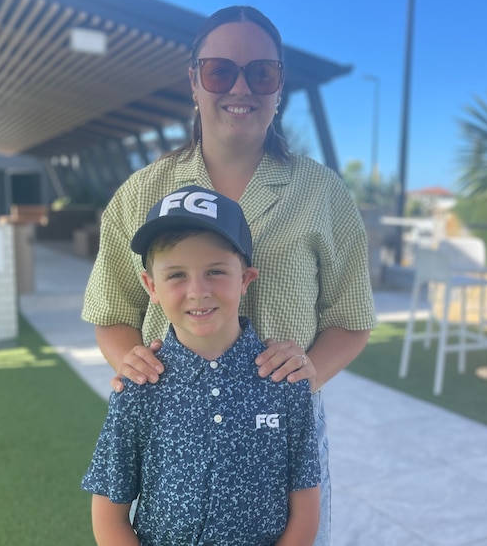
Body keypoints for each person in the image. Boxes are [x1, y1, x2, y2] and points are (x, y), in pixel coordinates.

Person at [82, 5, 377, 545]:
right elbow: (112, 311)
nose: (241, 87)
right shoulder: (141, 193)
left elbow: (351, 316)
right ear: (194, 80)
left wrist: (305, 375)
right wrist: (134, 363)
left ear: (280, 86)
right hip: (177, 417)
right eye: (220, 70)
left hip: (277, 426)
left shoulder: (324, 194)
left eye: (261, 72)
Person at [82, 186, 320, 545]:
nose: (197, 290)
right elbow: (108, 514)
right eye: (176, 274)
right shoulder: (138, 388)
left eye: (215, 271)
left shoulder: (284, 379)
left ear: (245, 279)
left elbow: (305, 509)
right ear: (151, 286)